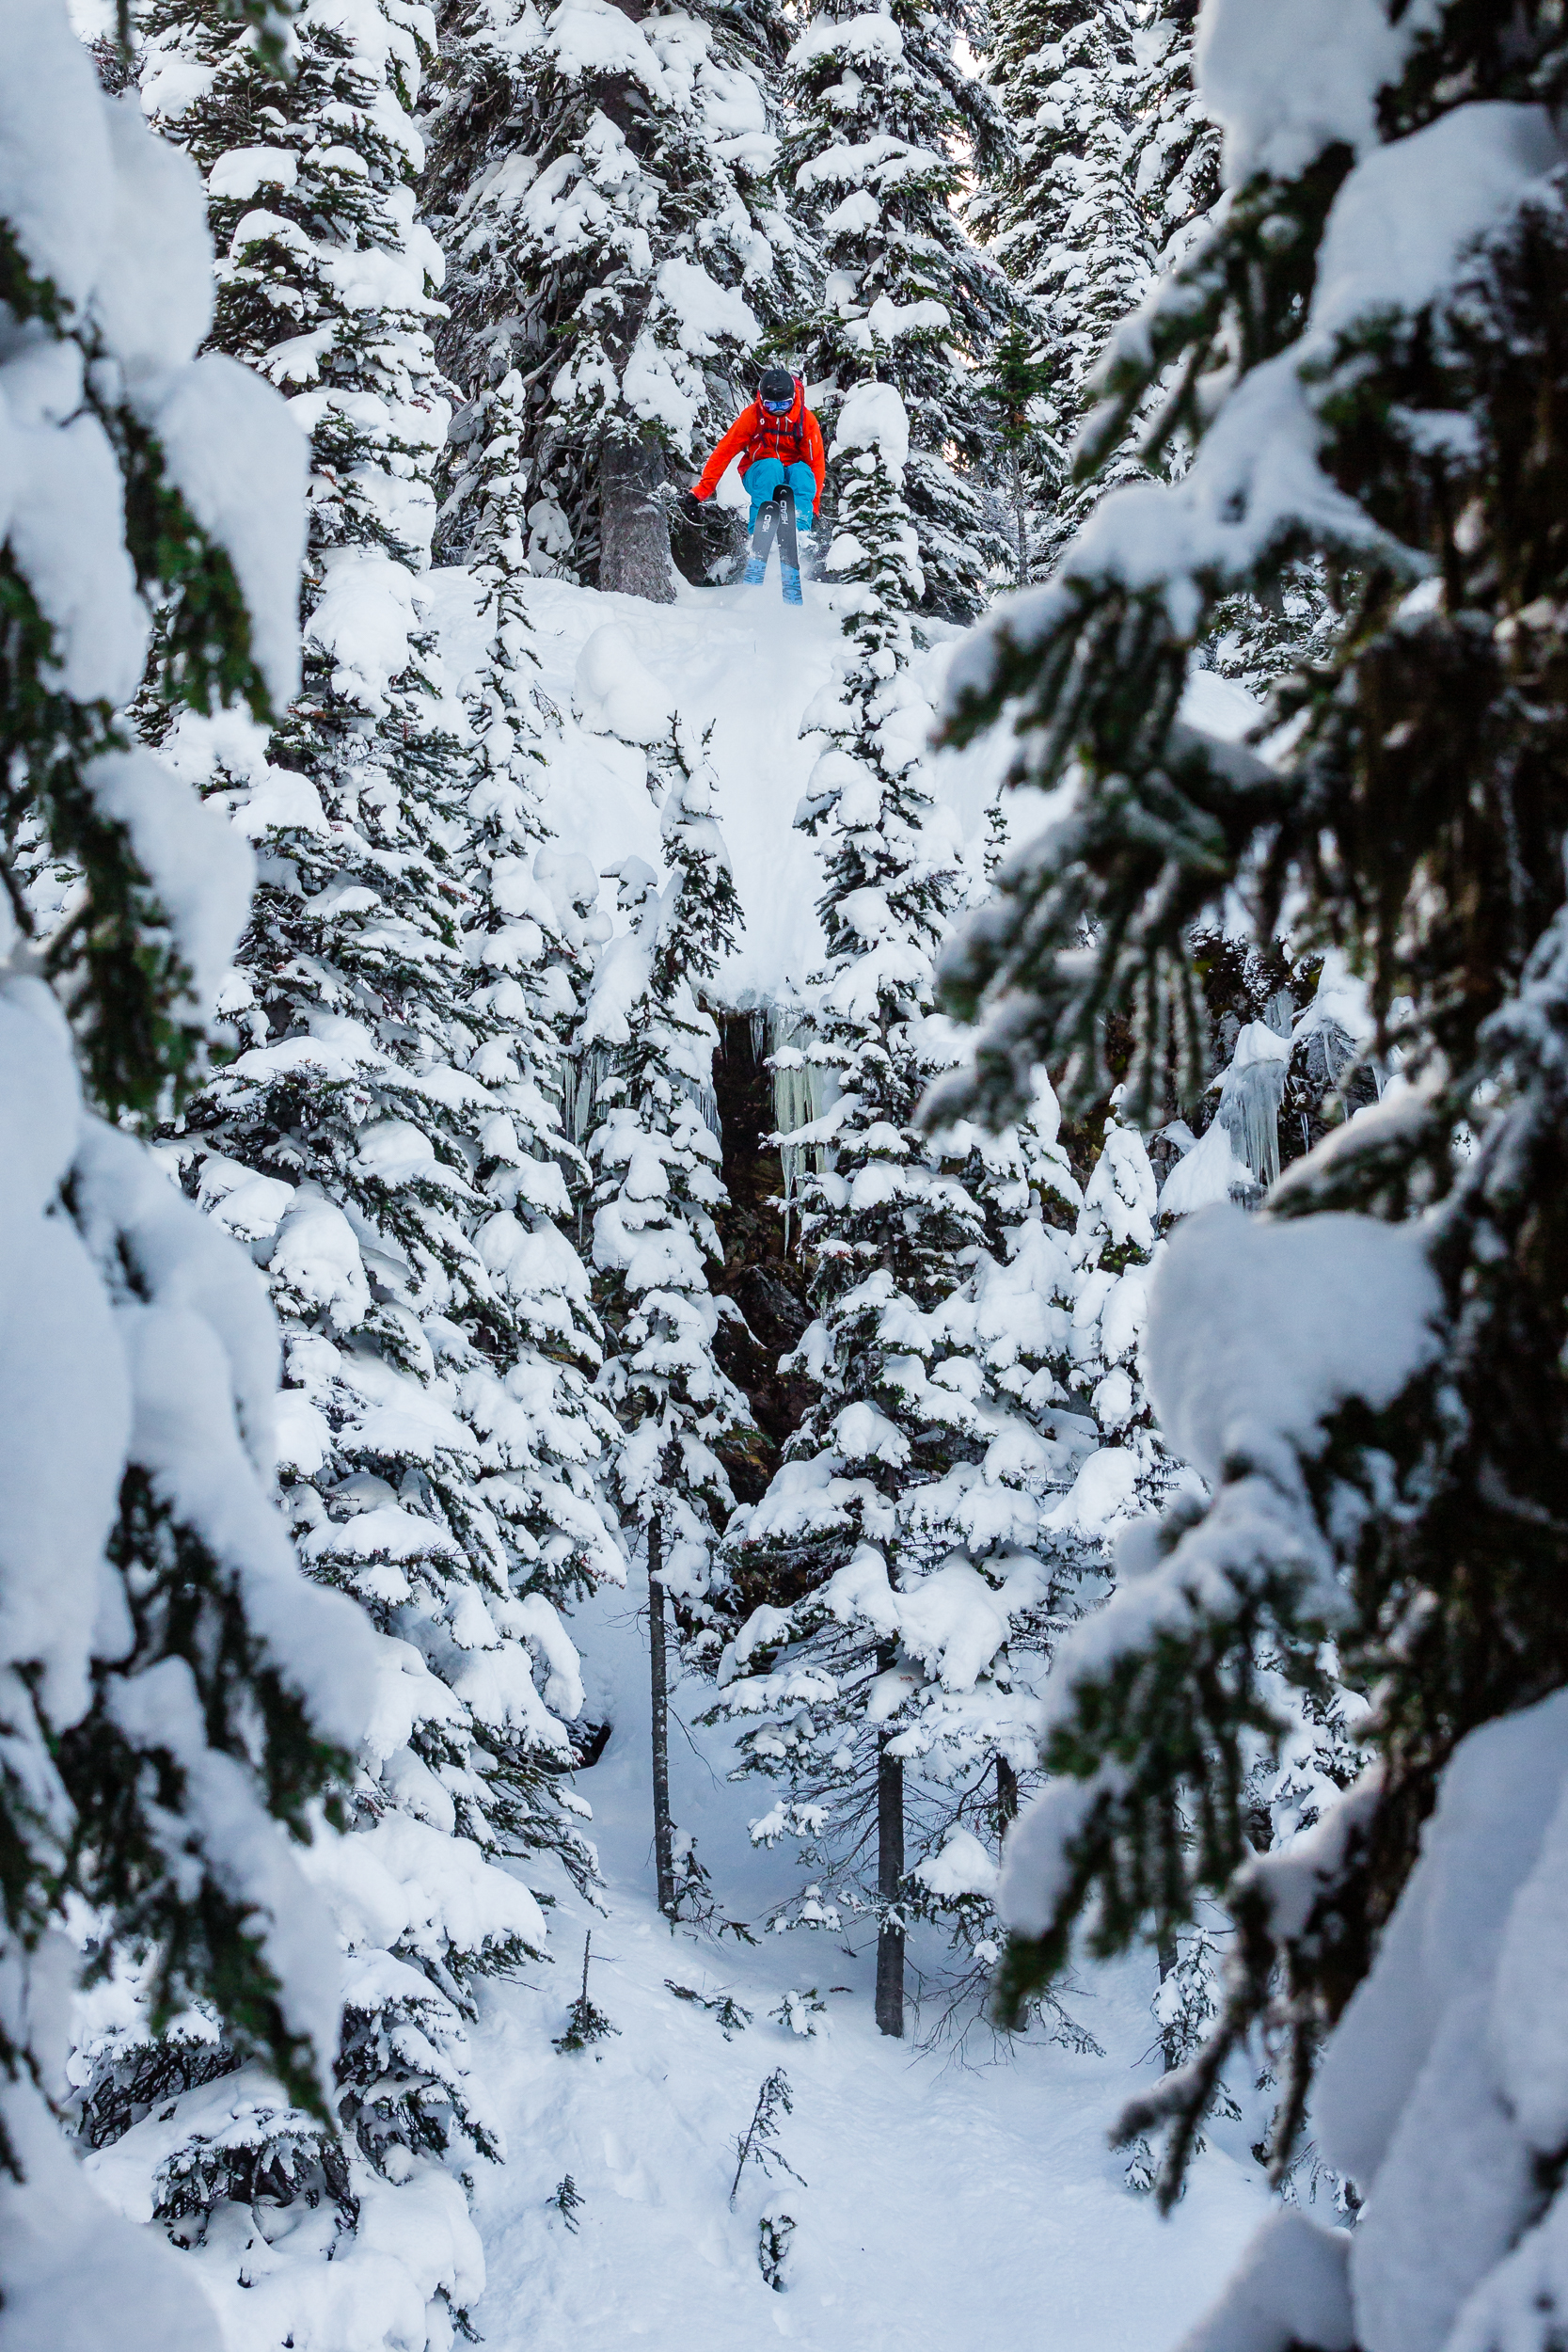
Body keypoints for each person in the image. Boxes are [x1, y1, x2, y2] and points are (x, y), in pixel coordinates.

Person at [689, 367, 825, 541]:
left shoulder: (805, 421)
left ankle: (799, 531)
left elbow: (816, 464)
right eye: (771, 405)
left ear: (793, 399)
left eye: (784, 405)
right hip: (759, 473)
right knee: (772, 466)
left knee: (802, 472)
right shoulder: (753, 416)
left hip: (791, 477)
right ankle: (761, 530)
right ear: (762, 400)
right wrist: (702, 491)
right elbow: (724, 451)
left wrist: (814, 507)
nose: (777, 410)